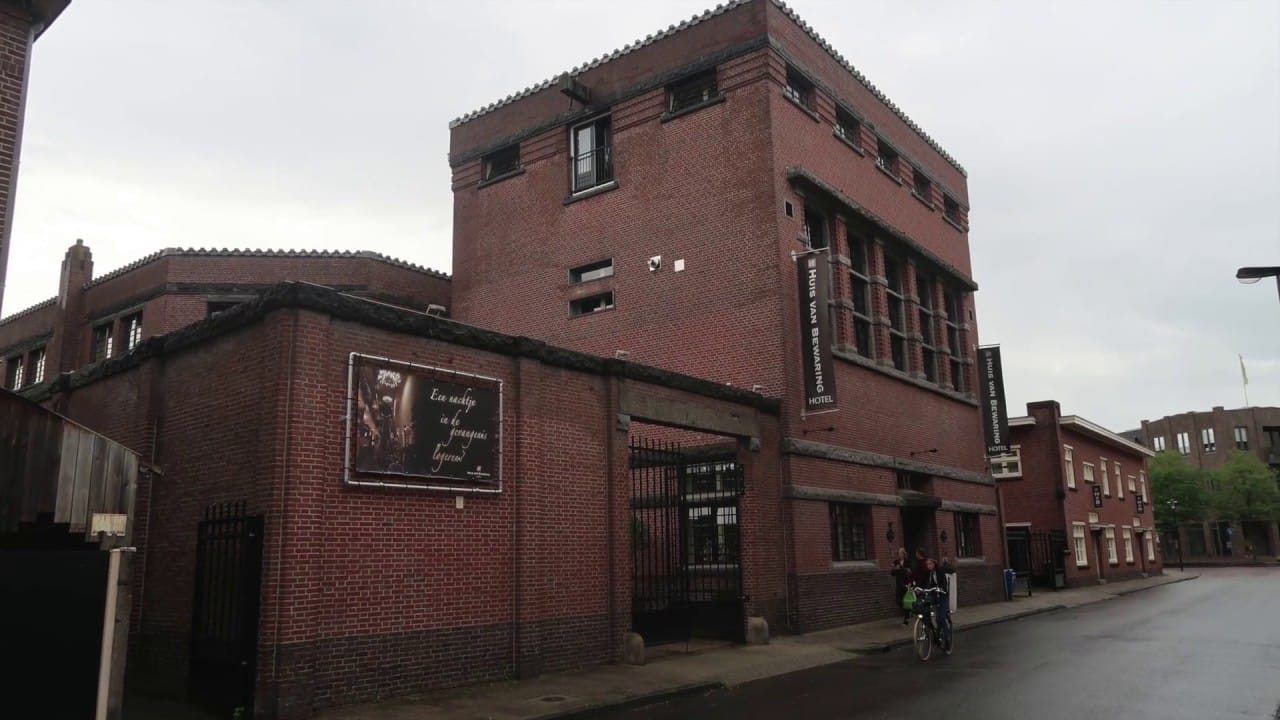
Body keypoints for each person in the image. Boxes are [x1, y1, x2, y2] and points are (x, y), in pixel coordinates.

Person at [915, 558, 951, 648]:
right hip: (933, 595)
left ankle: (947, 638)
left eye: (930, 564)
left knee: (940, 618)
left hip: (942, 596)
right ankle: (929, 628)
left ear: (934, 564)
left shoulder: (940, 572)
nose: (928, 566)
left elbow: (944, 584)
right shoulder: (927, 573)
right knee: (923, 608)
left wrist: (941, 588)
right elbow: (922, 581)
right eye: (927, 564)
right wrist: (917, 587)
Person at [890, 548, 912, 625]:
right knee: (899, 601)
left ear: (903, 554)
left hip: (906, 583)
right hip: (899, 583)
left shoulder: (908, 561)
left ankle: (906, 618)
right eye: (898, 553)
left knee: (906, 600)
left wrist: (901, 568)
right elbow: (892, 573)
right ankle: (908, 611)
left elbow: (910, 571)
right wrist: (895, 569)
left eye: (900, 553)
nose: (899, 555)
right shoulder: (896, 562)